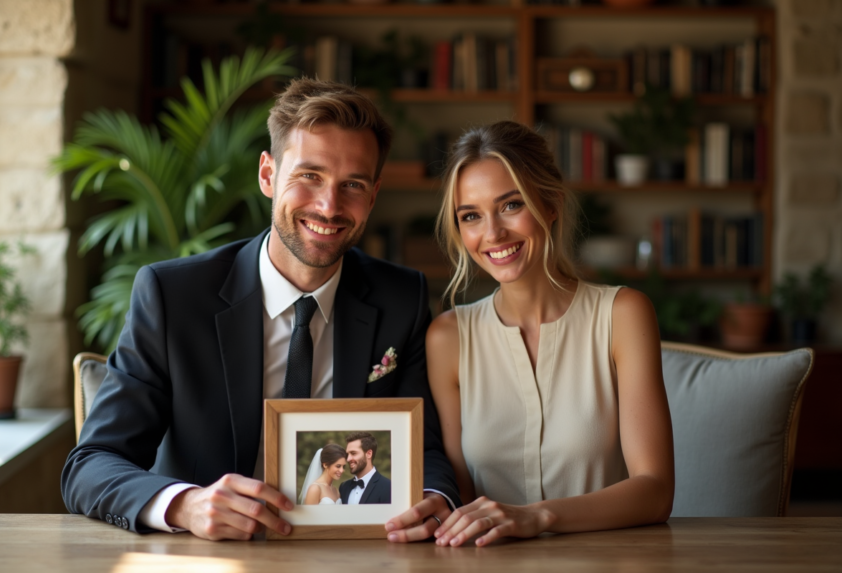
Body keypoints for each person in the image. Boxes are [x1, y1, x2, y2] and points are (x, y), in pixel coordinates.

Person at [62, 78, 459, 541]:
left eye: (351, 184)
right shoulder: (172, 296)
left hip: (349, 554)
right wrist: (185, 505)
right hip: (206, 559)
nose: (329, 206)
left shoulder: (401, 298)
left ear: (371, 197)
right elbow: (90, 465)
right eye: (309, 176)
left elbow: (425, 447)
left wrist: (437, 498)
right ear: (268, 176)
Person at [423, 121, 675, 547]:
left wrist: (537, 516)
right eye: (471, 216)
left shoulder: (623, 314)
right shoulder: (448, 337)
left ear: (551, 202)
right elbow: (458, 492)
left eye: (511, 205)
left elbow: (655, 490)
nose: (493, 233)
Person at [339, 432, 391, 505]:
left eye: (353, 453)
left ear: (369, 454)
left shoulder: (388, 487)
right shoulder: (344, 487)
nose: (348, 459)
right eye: (347, 454)